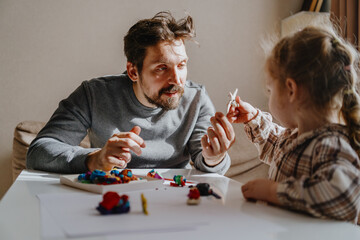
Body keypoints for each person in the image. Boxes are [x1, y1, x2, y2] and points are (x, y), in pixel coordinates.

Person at [26, 11, 235, 175]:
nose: (177, 79)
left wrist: (214, 157)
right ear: (133, 71)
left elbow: (204, 159)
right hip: (110, 199)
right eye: (162, 68)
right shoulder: (94, 94)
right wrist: (95, 159)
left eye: (181, 65)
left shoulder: (195, 99)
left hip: (172, 202)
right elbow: (39, 152)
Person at [227, 24, 360, 223]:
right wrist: (254, 119)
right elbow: (276, 146)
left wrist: (273, 191)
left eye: (270, 90)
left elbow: (345, 198)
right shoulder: (297, 137)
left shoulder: (330, 145)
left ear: (291, 90)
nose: (269, 96)